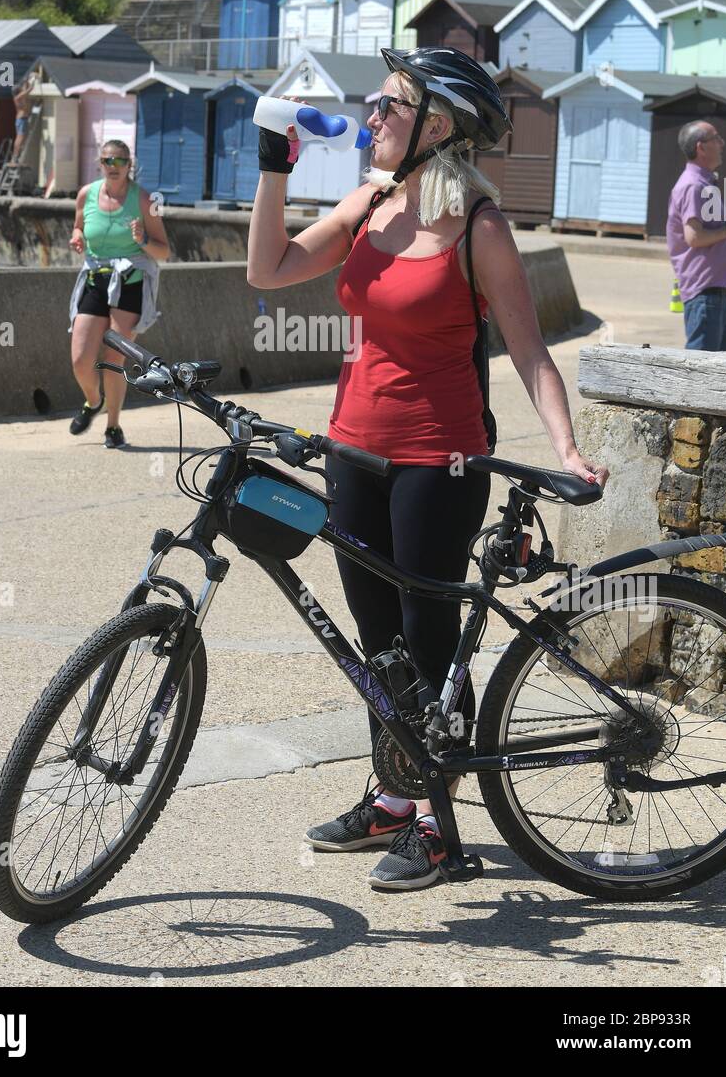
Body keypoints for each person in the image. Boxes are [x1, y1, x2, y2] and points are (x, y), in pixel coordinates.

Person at [247, 46, 609, 892]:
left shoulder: (479, 226)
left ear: (434, 127)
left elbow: (530, 350)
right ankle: (392, 798)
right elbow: (267, 271)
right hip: (353, 449)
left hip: (436, 461)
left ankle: (442, 831)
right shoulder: (371, 201)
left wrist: (564, 448)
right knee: (376, 645)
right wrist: (272, 167)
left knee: (427, 640)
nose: (370, 117)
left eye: (388, 106)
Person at [68, 140, 171, 447]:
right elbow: (77, 227)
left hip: (130, 281)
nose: (113, 167)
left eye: (119, 161)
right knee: (80, 359)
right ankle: (92, 401)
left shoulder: (144, 199)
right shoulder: (86, 194)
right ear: (100, 163)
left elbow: (164, 252)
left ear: (129, 165)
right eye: (107, 161)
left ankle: (113, 427)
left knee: (114, 359)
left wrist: (141, 240)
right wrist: (76, 238)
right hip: (95, 278)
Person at [666, 121, 726, 351]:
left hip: (717, 292)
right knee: (699, 374)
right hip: (706, 295)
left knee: (717, 372)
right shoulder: (693, 186)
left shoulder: (704, 183)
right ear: (701, 147)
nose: (722, 143)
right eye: (716, 138)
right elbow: (694, 237)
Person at [11, 76, 33, 165]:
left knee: (19, 138)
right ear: (17, 91)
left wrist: (26, 81)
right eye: (20, 88)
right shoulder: (18, 97)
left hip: (21, 120)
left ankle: (15, 156)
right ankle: (15, 157)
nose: (21, 88)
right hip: (22, 119)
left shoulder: (19, 97)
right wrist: (33, 81)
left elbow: (25, 89)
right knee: (20, 138)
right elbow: (29, 90)